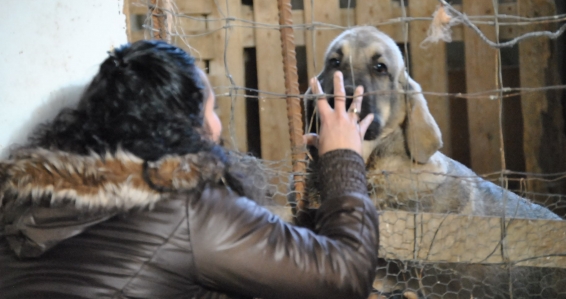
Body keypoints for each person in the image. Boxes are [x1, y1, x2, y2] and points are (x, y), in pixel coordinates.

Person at [0, 40, 378, 299]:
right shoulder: (184, 206)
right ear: (181, 126)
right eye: (211, 110)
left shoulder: (24, 195)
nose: (217, 126)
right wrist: (343, 158)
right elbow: (345, 274)